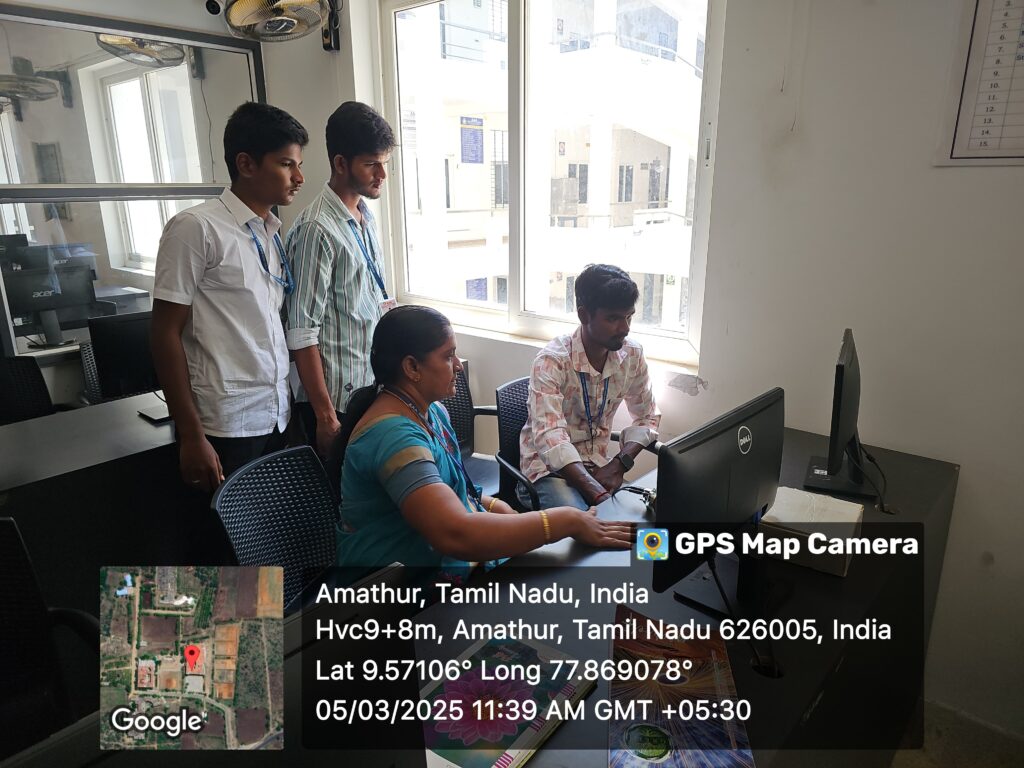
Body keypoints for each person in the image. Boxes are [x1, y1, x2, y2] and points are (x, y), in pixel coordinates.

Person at [336, 305, 634, 579]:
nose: (458, 366)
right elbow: (455, 534)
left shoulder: (432, 411)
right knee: (580, 571)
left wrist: (493, 505)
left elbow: (453, 490)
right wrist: (565, 520)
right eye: (448, 356)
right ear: (412, 368)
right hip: (399, 596)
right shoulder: (394, 437)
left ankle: (651, 553)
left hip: (447, 568)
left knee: (608, 555)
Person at [151, 101, 308, 491]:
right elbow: (164, 333)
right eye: (286, 164)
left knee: (269, 525)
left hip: (275, 414)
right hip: (224, 424)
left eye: (298, 165)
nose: (299, 177)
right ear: (246, 164)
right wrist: (192, 435)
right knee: (221, 528)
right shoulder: (196, 227)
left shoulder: (269, 231)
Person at [285, 102, 396, 488]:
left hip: (368, 392)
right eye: (371, 164)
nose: (382, 174)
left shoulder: (365, 216)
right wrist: (325, 416)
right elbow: (301, 332)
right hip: (336, 404)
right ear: (340, 163)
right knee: (341, 504)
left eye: (385, 163)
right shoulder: (317, 229)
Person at [518, 264, 661, 510]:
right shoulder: (552, 362)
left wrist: (619, 464)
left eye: (629, 317)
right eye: (613, 318)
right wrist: (599, 495)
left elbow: (648, 417)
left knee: (648, 517)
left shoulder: (632, 355)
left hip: (599, 467)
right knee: (593, 524)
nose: (625, 328)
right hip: (549, 474)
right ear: (584, 315)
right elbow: (550, 437)